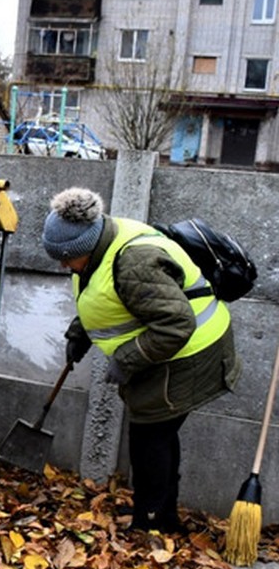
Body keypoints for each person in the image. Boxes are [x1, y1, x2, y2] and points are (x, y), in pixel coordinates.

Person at [41, 187, 240, 533]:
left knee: (150, 437)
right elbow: (106, 298)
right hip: (170, 353)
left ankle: (151, 522)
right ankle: (161, 515)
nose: (62, 266)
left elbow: (176, 325)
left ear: (85, 248)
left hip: (191, 353)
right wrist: (80, 334)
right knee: (158, 434)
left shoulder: (134, 262)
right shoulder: (98, 248)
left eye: (65, 258)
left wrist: (127, 359)